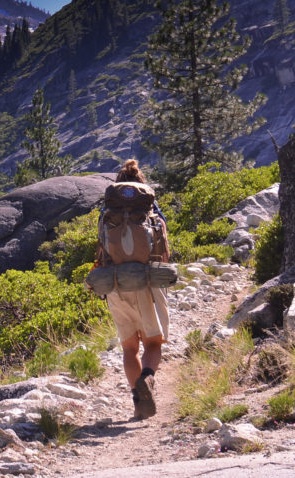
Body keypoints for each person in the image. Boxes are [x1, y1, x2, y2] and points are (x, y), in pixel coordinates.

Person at [96, 159, 170, 420]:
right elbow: (164, 255)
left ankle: (138, 402)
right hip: (147, 284)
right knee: (153, 342)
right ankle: (147, 379)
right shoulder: (152, 216)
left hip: (116, 286)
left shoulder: (107, 218)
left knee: (129, 349)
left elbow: (101, 253)